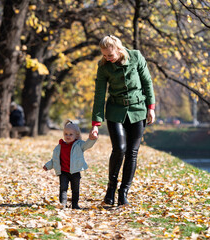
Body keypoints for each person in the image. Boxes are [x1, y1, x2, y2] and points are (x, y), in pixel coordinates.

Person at [90, 35, 156, 206]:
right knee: (119, 149)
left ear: (119, 49)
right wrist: (96, 124)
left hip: (138, 110)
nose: (107, 58)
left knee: (132, 152)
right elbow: (99, 95)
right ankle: (111, 189)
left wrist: (151, 108)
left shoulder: (136, 57)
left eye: (110, 55)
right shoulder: (103, 66)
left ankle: (123, 192)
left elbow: (147, 82)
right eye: (104, 55)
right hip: (115, 111)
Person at [43, 120, 98, 209]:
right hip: (63, 172)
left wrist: (92, 139)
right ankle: (63, 204)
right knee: (63, 188)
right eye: (66, 134)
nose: (68, 136)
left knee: (75, 189)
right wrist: (48, 165)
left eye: (71, 134)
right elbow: (55, 159)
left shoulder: (79, 145)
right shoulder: (60, 146)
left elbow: (87, 145)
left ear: (76, 135)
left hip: (75, 172)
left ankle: (75, 204)